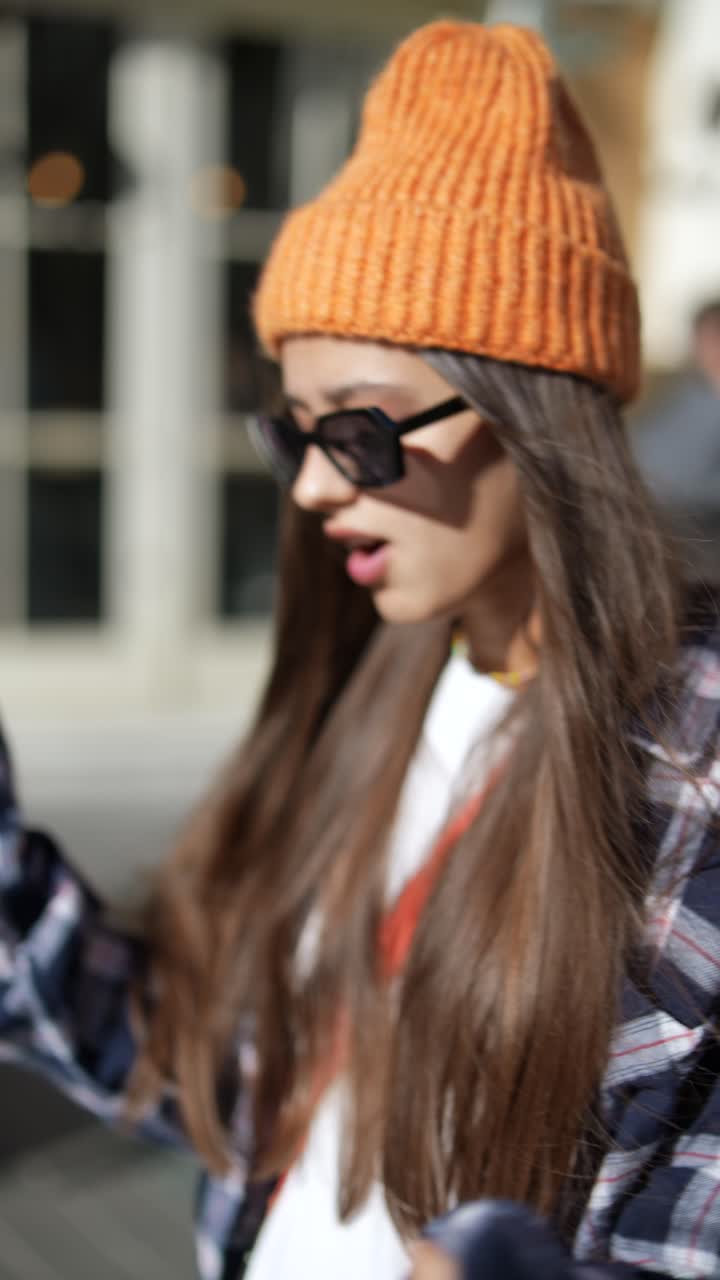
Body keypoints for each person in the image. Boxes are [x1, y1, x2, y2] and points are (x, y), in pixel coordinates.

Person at [2, 20, 720, 1280]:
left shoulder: (688, 769)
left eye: (366, 433)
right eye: (296, 438)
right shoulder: (381, 691)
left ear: (530, 412)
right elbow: (220, 1074)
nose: (318, 493)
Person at [632, 299, 720, 581]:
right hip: (658, 552)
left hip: (704, 563)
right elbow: (643, 451)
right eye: (704, 339)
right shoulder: (680, 397)